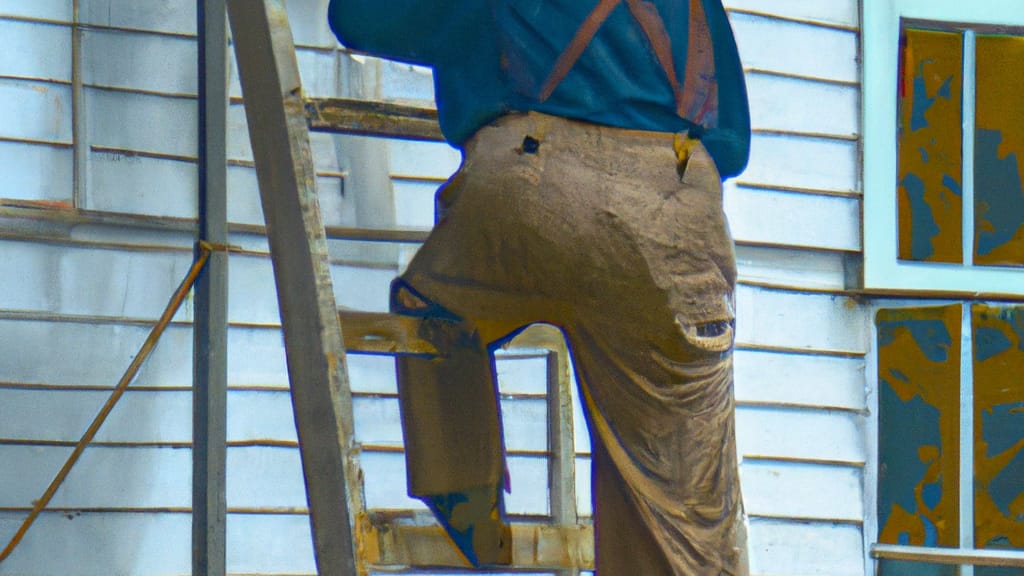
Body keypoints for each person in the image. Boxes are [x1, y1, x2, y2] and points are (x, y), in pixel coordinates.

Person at [329, 1, 750, 574]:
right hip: (674, 212)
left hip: (527, 188)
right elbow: (732, 145)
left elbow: (361, 19)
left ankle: (470, 511)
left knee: (432, 310)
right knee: (681, 510)